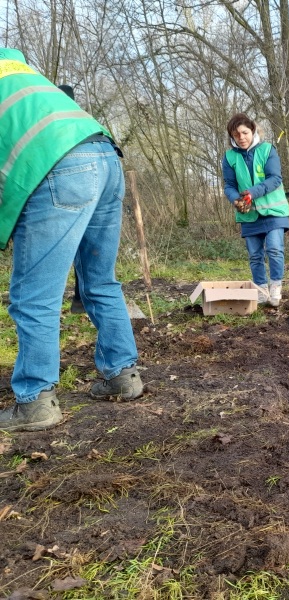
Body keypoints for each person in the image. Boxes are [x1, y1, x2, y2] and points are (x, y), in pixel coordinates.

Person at [0, 47, 143, 432]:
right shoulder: (14, 65)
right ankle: (122, 375)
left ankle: (35, 401)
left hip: (57, 165)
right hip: (105, 154)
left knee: (34, 295)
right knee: (100, 281)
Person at [222, 113, 289, 307]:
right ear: (232, 137)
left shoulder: (268, 150)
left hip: (274, 212)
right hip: (249, 215)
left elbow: (275, 178)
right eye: (236, 135)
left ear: (252, 131)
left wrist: (252, 193)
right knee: (255, 255)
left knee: (275, 249)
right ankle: (261, 290)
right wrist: (236, 199)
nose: (241, 137)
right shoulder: (229, 157)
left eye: (244, 132)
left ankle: (275, 286)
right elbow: (229, 185)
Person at [57, 84, 86, 315]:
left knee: (62, 248)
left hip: (64, 190)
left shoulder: (52, 122)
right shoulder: (85, 123)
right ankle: (79, 299)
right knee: (83, 248)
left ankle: (77, 299)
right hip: (91, 190)